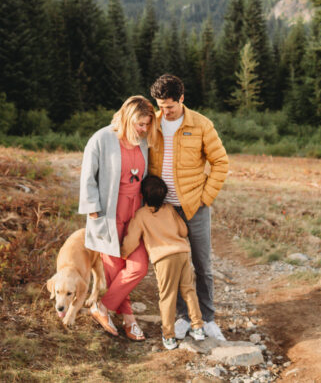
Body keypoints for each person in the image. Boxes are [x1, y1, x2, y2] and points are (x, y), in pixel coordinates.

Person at [147, 74, 229, 341]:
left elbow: (220, 162)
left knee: (201, 264)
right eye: (160, 105)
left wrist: (206, 197)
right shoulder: (154, 125)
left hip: (195, 207)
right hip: (165, 211)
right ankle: (183, 317)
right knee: (175, 265)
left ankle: (207, 319)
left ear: (182, 99)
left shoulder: (202, 124)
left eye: (169, 106)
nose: (164, 111)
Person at [78, 95, 154, 341]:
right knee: (116, 271)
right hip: (109, 213)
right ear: (127, 118)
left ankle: (102, 307)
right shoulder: (102, 139)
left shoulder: (142, 143)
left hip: (135, 215)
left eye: (146, 125)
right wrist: (93, 209)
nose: (144, 130)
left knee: (138, 267)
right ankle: (129, 320)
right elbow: (88, 176)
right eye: (140, 124)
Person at [121, 175, 206, 350]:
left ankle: (169, 336)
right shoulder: (169, 209)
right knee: (189, 291)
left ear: (143, 195)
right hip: (182, 253)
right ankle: (198, 327)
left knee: (167, 297)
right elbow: (183, 231)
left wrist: (123, 255)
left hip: (163, 259)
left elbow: (132, 241)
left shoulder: (141, 215)